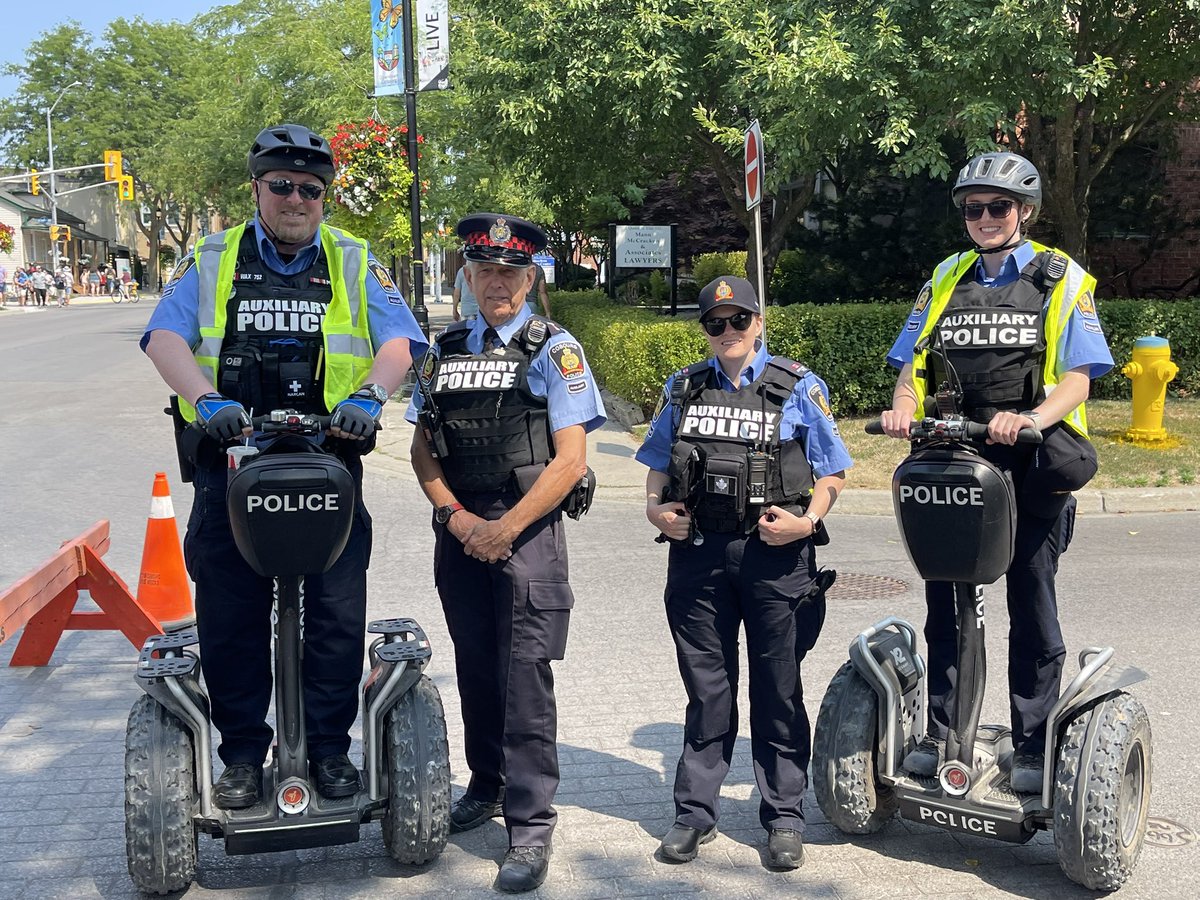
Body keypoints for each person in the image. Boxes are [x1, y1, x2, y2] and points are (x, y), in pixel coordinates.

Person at [142, 123, 428, 810]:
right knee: (230, 614)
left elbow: (400, 340)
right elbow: (163, 337)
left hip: (329, 459)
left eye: (311, 188)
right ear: (257, 188)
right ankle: (242, 753)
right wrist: (206, 400)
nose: (297, 198)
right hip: (232, 461)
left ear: (324, 195)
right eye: (282, 185)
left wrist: (370, 395)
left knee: (336, 612)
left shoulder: (353, 257)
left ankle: (329, 749)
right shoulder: (211, 256)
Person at [879, 151, 1113, 793]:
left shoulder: (1061, 277)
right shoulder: (947, 275)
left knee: (1030, 601)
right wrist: (903, 408)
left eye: (998, 207)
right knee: (946, 599)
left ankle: (1032, 743)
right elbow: (913, 361)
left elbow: (1079, 379)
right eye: (973, 208)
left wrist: (1030, 416)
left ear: (1025, 211)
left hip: (1030, 461)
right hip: (955, 457)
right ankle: (942, 732)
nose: (984, 217)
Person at [406, 213, 605, 893]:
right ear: (467, 275)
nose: (498, 283)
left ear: (530, 280)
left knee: (524, 677)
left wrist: (504, 528)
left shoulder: (555, 349)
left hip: (526, 530)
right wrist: (455, 517)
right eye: (485, 270)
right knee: (475, 666)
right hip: (461, 527)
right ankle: (485, 784)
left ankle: (530, 824)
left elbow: (570, 460)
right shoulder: (442, 350)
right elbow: (422, 448)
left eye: (510, 273)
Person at [637, 275, 849, 870]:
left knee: (778, 687)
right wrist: (655, 510)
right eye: (715, 322)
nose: (727, 330)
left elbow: (833, 470)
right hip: (699, 553)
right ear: (705, 329)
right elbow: (657, 462)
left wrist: (807, 522)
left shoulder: (798, 386)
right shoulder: (684, 387)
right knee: (708, 689)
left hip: (775, 555)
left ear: (758, 321)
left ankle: (784, 816)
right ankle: (694, 815)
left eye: (738, 320)